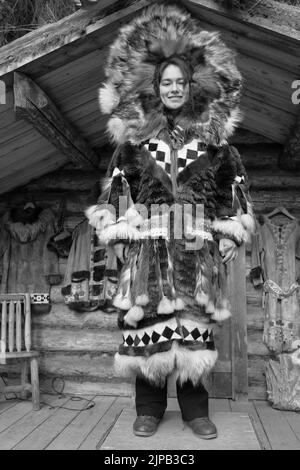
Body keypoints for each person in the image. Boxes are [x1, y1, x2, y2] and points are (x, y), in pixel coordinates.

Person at [86, 3, 255, 439]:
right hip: (148, 251)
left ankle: (196, 411)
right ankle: (148, 409)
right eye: (167, 82)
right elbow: (116, 191)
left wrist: (233, 230)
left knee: (195, 327)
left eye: (181, 82)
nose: (174, 89)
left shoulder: (218, 146)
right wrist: (117, 233)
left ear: (192, 85)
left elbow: (233, 193)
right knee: (146, 325)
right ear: (156, 87)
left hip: (197, 251)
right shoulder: (134, 144)